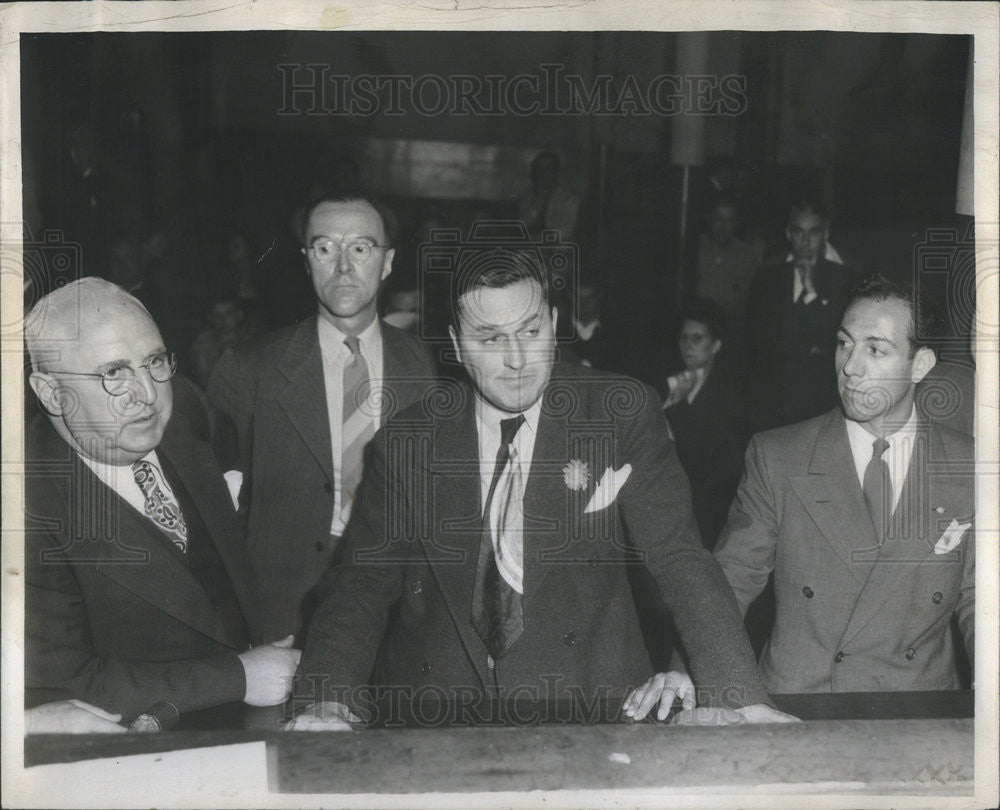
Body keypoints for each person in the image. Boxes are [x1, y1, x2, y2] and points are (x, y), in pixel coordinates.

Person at [285, 249, 795, 729]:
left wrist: (739, 696)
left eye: (530, 331)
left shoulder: (618, 412)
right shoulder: (408, 441)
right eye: (489, 339)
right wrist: (327, 700)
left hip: (592, 708)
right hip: (437, 715)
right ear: (458, 345)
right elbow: (361, 584)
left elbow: (680, 559)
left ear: (553, 323)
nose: (516, 360)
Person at [24, 278, 300, 725]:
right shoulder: (25, 507)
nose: (148, 395)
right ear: (52, 392)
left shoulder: (185, 407)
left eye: (154, 361)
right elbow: (62, 687)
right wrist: (240, 678)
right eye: (114, 373)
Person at [713, 274, 974, 693]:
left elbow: (982, 601)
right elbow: (729, 580)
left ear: (920, 364)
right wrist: (688, 671)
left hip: (916, 712)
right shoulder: (779, 456)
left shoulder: (968, 464)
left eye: (876, 349)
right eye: (844, 343)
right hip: (802, 705)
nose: (850, 367)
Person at [208, 193, 437, 641]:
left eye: (361, 248)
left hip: (397, 611)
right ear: (306, 261)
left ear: (387, 263)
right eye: (325, 248)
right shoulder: (250, 368)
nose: (343, 267)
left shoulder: (426, 368)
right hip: (283, 612)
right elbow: (218, 506)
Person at [746, 199, 857, 432]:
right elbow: (758, 337)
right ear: (788, 233)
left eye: (813, 232)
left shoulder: (844, 278)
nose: (805, 242)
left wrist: (810, 293)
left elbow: (836, 339)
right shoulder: (768, 275)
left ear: (825, 233)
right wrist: (810, 347)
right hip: (772, 397)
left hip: (819, 399)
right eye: (798, 232)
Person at [662, 301, 745, 549]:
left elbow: (705, 452)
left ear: (716, 345)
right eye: (683, 338)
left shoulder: (729, 392)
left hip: (710, 503)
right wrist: (673, 400)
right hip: (672, 495)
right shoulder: (670, 382)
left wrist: (677, 405)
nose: (688, 345)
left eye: (697, 338)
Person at [517, 151, 579, 242]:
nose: (542, 173)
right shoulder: (527, 196)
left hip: (559, 250)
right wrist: (537, 203)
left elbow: (567, 231)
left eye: (548, 169)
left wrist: (541, 237)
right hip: (530, 248)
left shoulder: (569, 199)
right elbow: (522, 225)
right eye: (539, 169)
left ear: (556, 172)